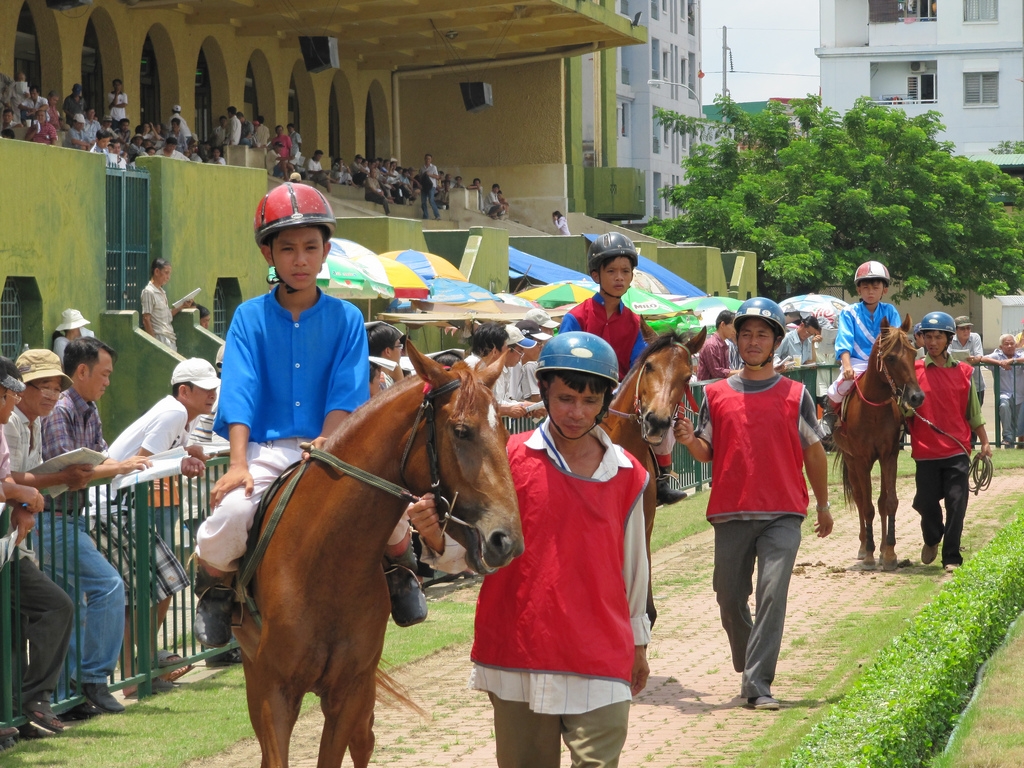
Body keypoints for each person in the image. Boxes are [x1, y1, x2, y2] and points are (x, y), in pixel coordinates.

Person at [191, 183, 425, 648]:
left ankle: (401, 573)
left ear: (325, 252)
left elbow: (346, 388)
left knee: (390, 508)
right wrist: (237, 464)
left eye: (310, 248)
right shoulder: (247, 318)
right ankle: (215, 592)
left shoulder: (348, 319)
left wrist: (328, 442)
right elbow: (240, 389)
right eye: (288, 249)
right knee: (230, 516)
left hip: (335, 446)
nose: (300, 259)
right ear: (268, 254)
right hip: (267, 450)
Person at [412, 332, 650, 768]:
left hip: (600, 651)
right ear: (543, 392)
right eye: (565, 398)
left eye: (590, 400)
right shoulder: (508, 460)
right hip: (519, 651)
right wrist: (434, 537)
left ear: (604, 400)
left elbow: (635, 568)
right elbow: (472, 555)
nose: (577, 412)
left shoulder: (628, 473)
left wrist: (639, 645)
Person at [673, 297, 832, 711]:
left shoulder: (796, 393)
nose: (754, 341)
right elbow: (708, 451)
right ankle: (749, 661)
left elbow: (814, 451)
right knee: (729, 598)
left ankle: (758, 683)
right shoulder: (715, 394)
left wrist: (823, 504)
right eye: (746, 334)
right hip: (731, 511)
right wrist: (689, 441)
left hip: (783, 511)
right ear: (737, 340)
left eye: (763, 334)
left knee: (771, 593)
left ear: (777, 341)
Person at [39, 337, 151, 715]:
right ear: (82, 371)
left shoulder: (89, 410)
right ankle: (93, 678)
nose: (107, 382)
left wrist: (123, 465)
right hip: (52, 521)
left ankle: (66, 696)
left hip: (71, 520)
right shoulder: (61, 411)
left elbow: (100, 462)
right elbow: (72, 473)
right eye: (104, 374)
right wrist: (122, 466)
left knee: (72, 608)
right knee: (108, 586)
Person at [106, 358, 218, 688]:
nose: (212, 394)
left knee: (152, 588)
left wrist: (190, 451)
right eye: (205, 389)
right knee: (166, 581)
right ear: (184, 391)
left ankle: (138, 670)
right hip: (115, 508)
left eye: (214, 388)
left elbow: (164, 454)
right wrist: (182, 460)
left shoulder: (180, 417)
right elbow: (141, 462)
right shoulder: (174, 413)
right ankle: (140, 668)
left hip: (122, 508)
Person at [561, 232, 686, 505]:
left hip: (620, 397)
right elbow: (562, 365)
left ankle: (662, 478)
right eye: (612, 271)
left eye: (625, 272)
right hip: (578, 397)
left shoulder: (634, 323)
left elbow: (639, 368)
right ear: (596, 275)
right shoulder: (575, 318)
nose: (619, 277)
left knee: (662, 419)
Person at [0, 355, 74, 736]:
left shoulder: (33, 422)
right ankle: (30, 701)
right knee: (56, 606)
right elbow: (11, 479)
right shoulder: (10, 421)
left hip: (14, 544)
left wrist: (23, 499)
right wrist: (24, 495)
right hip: (10, 545)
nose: (52, 394)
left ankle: (16, 712)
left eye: (57, 388)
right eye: (44, 386)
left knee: (18, 625)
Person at [905, 312, 992, 573]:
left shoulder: (964, 372)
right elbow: (904, 410)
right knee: (925, 502)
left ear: (948, 339)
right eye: (928, 337)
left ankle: (951, 556)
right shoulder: (914, 371)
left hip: (957, 450)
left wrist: (985, 442)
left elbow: (973, 411)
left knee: (957, 503)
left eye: (938, 337)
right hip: (925, 451)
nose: (932, 342)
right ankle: (932, 537)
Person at [826, 261, 902, 422]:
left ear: (884, 290)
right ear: (858, 289)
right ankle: (829, 417)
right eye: (866, 287)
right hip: (857, 363)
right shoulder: (848, 312)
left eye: (875, 287)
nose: (870, 292)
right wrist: (847, 366)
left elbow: (896, 341)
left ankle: (908, 421)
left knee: (906, 387)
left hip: (884, 364)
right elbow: (844, 341)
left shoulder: (890, 311)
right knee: (837, 388)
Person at [980, 334, 1024, 448]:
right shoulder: (997, 355)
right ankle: (1007, 438)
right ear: (1001, 347)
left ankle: (1018, 446)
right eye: (1006, 344)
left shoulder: (1020, 354)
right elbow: (982, 358)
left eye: (1012, 343)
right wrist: (1000, 363)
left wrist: (1012, 360)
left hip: (1020, 395)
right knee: (1004, 406)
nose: (1009, 346)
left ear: (1016, 345)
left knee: (1019, 424)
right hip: (1004, 394)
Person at [142, 257, 192, 351]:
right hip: (159, 337)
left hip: (169, 337)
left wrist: (182, 306)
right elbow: (146, 319)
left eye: (169, 274)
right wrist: (154, 344)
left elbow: (166, 315)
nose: (168, 277)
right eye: (166, 273)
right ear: (157, 271)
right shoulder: (148, 292)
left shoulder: (162, 292)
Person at [696, 310, 739, 382]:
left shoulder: (723, 344)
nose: (735, 330)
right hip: (706, 387)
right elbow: (716, 373)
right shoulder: (711, 345)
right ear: (722, 325)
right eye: (733, 326)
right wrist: (740, 372)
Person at [365, 321, 406, 391]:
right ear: (388, 351)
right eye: (399, 346)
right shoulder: (381, 380)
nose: (401, 350)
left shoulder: (371, 374)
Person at [419, 153, 441, 220]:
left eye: (429, 159)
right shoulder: (422, 168)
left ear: (431, 160)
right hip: (424, 186)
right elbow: (420, 177)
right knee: (423, 202)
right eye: (426, 158)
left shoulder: (433, 167)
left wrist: (429, 174)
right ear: (424, 159)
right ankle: (425, 216)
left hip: (431, 186)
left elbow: (437, 177)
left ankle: (437, 215)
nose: (427, 160)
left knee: (431, 200)